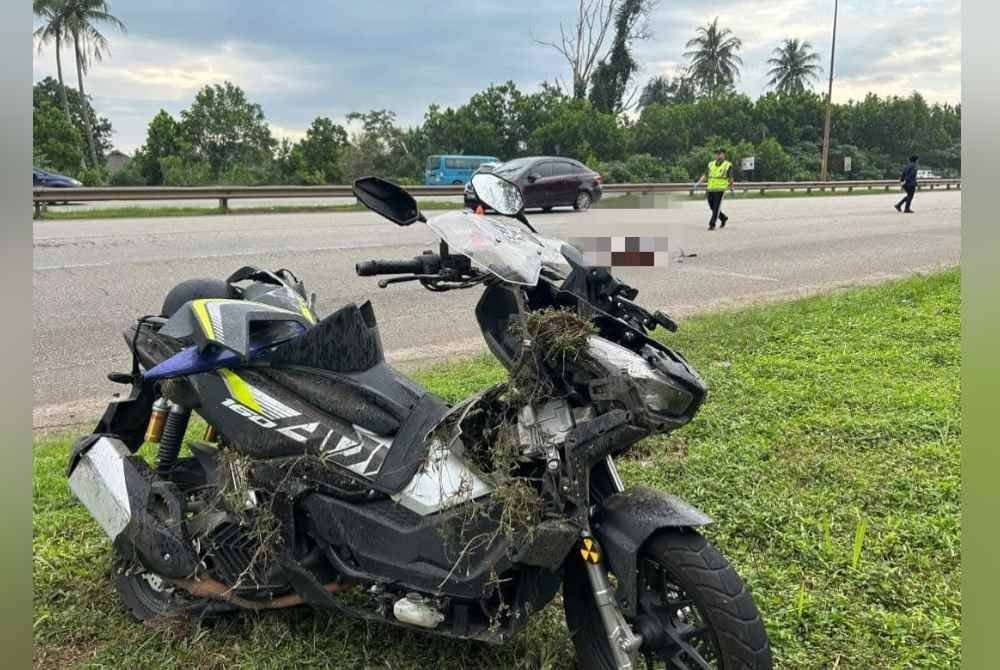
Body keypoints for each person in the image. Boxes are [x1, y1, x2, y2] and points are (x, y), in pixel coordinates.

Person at [695, 148, 736, 230]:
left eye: (720, 153)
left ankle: (712, 224)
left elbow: (730, 178)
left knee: (716, 207)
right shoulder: (711, 164)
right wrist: (698, 183)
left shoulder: (727, 165)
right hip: (710, 189)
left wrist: (731, 188)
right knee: (712, 207)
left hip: (720, 189)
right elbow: (705, 175)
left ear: (724, 155)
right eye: (716, 154)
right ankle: (723, 218)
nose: (718, 155)